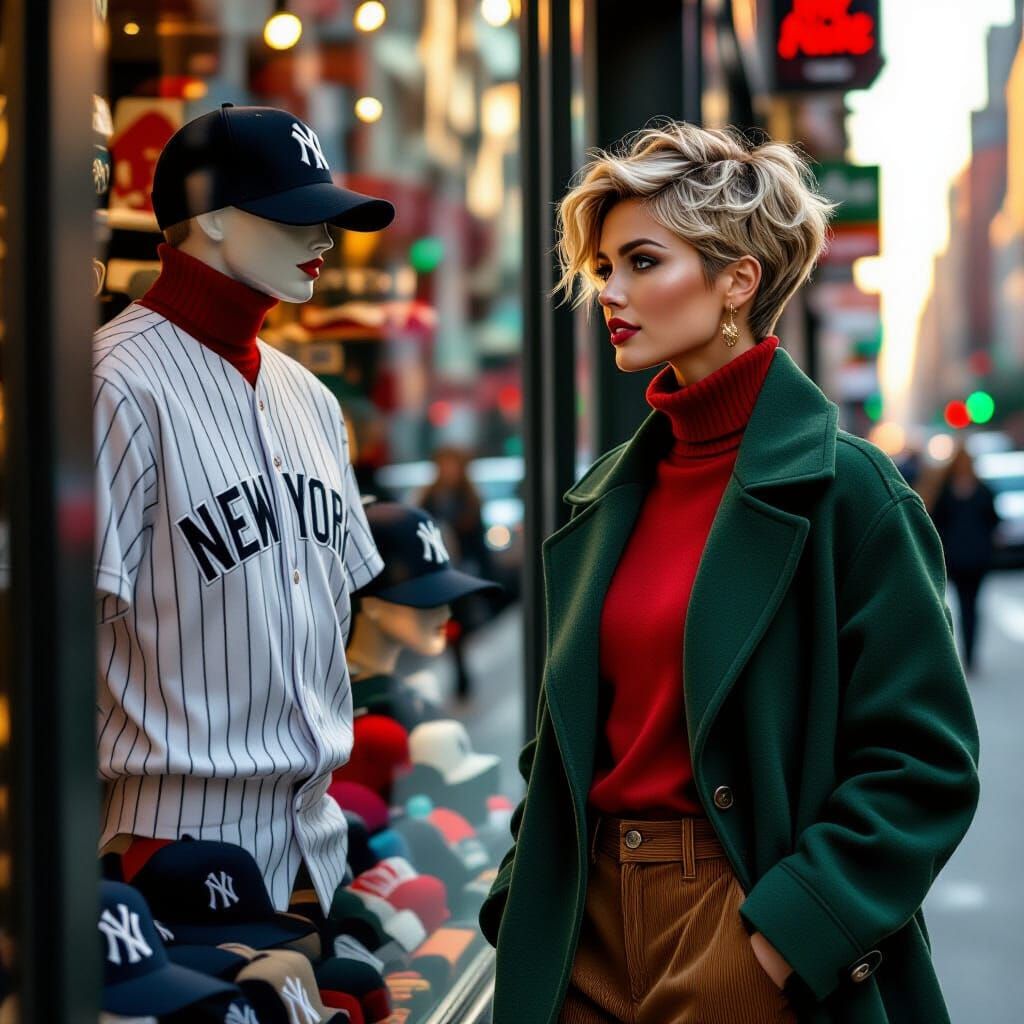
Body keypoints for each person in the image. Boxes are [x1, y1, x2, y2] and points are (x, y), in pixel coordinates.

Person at [479, 122, 980, 1024]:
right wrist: (520, 892)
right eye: (605, 268)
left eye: (642, 262)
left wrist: (785, 938)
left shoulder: (849, 492)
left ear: (737, 282)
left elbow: (924, 761)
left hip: (742, 913)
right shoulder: (607, 497)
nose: (611, 292)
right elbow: (563, 740)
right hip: (581, 927)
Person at [93, 104, 393, 912]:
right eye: (296, 217)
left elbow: (336, 610)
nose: (323, 239)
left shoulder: (312, 398)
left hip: (316, 841)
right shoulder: (113, 384)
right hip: (171, 847)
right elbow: (52, 645)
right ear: (213, 219)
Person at [926, 442, 1000, 674]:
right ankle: (970, 654)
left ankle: (966, 653)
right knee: (972, 605)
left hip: (957, 557)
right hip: (977, 557)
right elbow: (994, 521)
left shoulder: (946, 491)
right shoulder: (983, 490)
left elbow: (936, 522)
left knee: (962, 603)